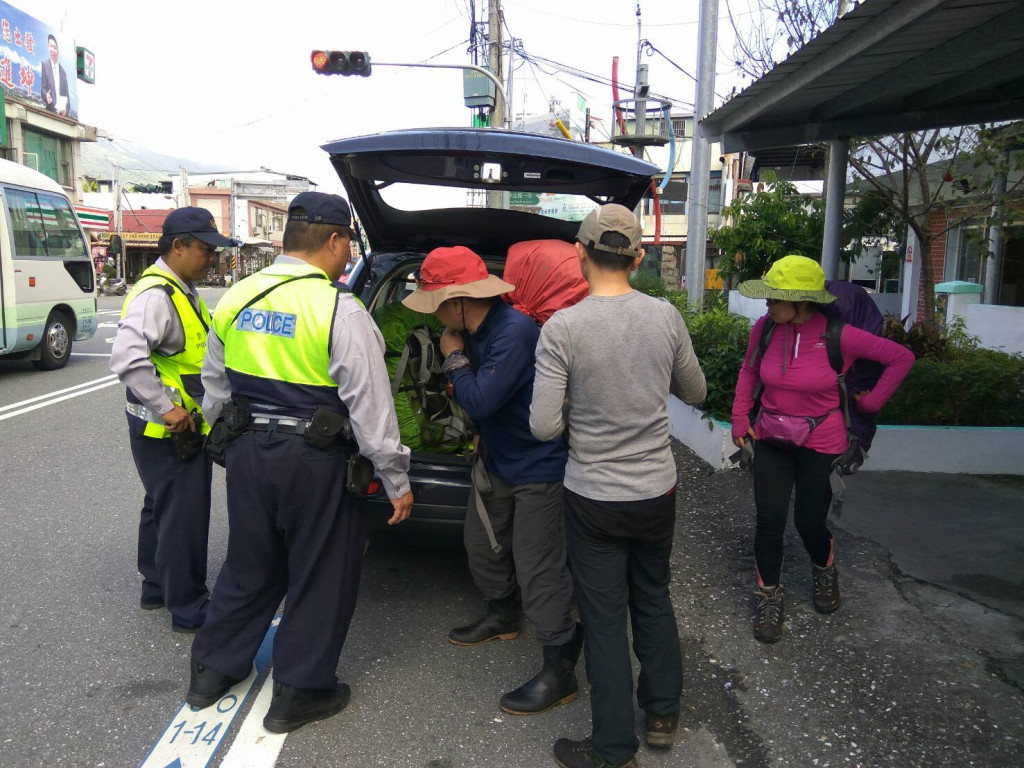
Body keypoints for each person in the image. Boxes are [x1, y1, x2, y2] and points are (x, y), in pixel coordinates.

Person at [186, 191, 413, 734]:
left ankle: (211, 672)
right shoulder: (340, 308)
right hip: (315, 461)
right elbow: (371, 406)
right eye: (347, 244)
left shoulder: (236, 297)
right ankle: (300, 691)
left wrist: (231, 436)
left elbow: (213, 387)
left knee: (249, 561)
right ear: (334, 241)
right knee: (321, 568)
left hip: (247, 453)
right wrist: (395, 478)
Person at [530, 205, 707, 768]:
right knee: (653, 597)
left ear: (580, 253)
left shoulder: (564, 328)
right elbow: (697, 391)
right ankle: (661, 712)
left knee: (604, 618)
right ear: (636, 258)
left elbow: (543, 426)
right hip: (656, 489)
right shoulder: (664, 318)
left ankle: (612, 749)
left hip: (594, 496)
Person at [402, 245, 582, 716]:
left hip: (539, 466)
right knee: (481, 544)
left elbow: (480, 401)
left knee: (538, 565)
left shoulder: (513, 332)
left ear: (460, 299)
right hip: (498, 459)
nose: (437, 316)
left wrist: (454, 359)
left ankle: (560, 668)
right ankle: (503, 614)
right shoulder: (474, 329)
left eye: (437, 303)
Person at [730, 255, 914, 644]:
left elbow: (901, 357)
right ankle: (768, 598)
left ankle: (824, 567)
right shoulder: (764, 329)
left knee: (809, 523)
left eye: (775, 298)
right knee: (769, 522)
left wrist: (871, 403)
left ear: (802, 301)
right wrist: (739, 417)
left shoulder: (839, 334)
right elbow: (748, 371)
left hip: (821, 442)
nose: (767, 304)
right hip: (771, 438)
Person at [110, 207, 230, 633]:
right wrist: (169, 408)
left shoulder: (181, 288)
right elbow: (126, 359)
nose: (211, 258)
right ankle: (189, 608)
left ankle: (156, 587)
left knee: (160, 503)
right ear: (177, 246)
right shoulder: (156, 296)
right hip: (170, 428)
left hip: (164, 427)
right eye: (204, 250)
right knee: (184, 515)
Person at [822, 279, 885, 451]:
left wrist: (872, 402)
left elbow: (902, 359)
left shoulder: (853, 339)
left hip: (844, 435)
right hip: (824, 434)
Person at [40, 34, 70, 116]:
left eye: (55, 47)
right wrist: (46, 96)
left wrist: (65, 111)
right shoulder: (45, 65)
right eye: (50, 46)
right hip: (49, 112)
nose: (52, 50)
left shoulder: (63, 73)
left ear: (58, 50)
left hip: (60, 116)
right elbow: (43, 89)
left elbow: (67, 98)